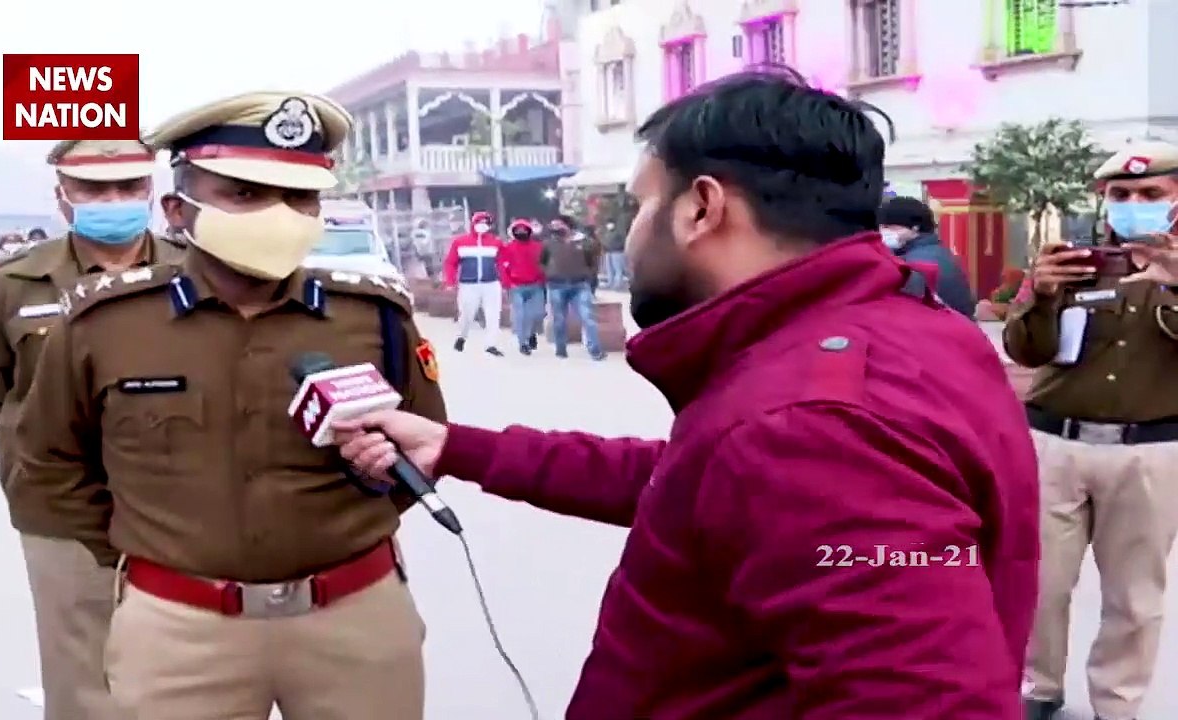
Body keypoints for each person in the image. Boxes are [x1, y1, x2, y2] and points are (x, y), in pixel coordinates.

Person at [334, 70, 1038, 719]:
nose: (634, 232)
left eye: (640, 204)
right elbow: (709, 487)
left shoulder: (811, 420)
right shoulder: (892, 326)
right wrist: (462, 448)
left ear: (701, 207)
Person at [8, 91, 445, 720]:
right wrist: (150, 554)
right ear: (178, 210)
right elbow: (50, 465)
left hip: (357, 618)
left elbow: (425, 446)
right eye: (244, 194)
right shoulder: (104, 325)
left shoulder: (374, 318)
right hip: (178, 631)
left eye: (301, 199)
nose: (280, 215)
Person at [0, 137, 179, 720]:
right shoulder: (7, 286)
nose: (114, 199)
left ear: (150, 191)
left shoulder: (197, 274)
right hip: (64, 511)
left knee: (192, 675)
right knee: (83, 680)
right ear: (62, 198)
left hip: (187, 505)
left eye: (129, 187)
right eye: (93, 189)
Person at [1005, 140, 1178, 720]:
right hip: (1055, 443)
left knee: (1134, 595)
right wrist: (1043, 294)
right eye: (1121, 194)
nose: (1134, 203)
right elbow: (1026, 351)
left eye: (1151, 194)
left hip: (1149, 453)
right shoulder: (1077, 263)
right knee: (1040, 581)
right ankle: (1038, 689)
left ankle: (1116, 705)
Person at [878, 195, 976, 318]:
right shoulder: (938, 252)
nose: (883, 232)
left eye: (889, 227)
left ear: (915, 227)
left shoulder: (913, 264)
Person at [542, 214, 606, 360]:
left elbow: (594, 260)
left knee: (587, 318)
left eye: (558, 225)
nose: (555, 228)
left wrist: (589, 274)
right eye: (553, 226)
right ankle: (561, 348)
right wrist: (549, 273)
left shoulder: (584, 242)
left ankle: (595, 350)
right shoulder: (549, 243)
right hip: (556, 285)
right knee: (559, 319)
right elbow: (542, 262)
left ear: (568, 225)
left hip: (580, 285)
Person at [443, 210, 505, 356]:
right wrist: (450, 281)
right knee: (466, 315)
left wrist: (504, 280)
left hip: (491, 284)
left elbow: (502, 262)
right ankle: (461, 337)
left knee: (493, 314)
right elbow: (450, 263)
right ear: (473, 224)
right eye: (480, 223)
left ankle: (491, 344)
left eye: (486, 223)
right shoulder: (460, 242)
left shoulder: (495, 242)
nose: (483, 226)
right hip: (468, 285)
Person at [500, 218, 545, 354]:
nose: (521, 232)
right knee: (520, 316)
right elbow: (503, 267)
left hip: (536, 285)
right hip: (516, 286)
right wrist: (506, 283)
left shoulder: (538, 247)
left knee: (536, 314)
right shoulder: (508, 248)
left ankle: (531, 334)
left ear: (529, 231)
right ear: (514, 232)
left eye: (524, 230)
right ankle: (523, 343)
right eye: (518, 230)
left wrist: (544, 279)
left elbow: (544, 264)